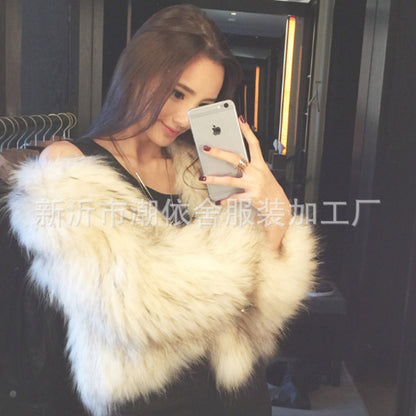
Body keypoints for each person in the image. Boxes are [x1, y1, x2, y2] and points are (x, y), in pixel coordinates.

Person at [6, 5, 318, 416]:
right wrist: (245, 259)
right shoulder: (70, 168)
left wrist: (275, 207)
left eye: (203, 103)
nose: (184, 118)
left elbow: (264, 312)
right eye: (177, 93)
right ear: (138, 71)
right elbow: (134, 307)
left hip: (240, 396)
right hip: (153, 404)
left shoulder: (199, 171)